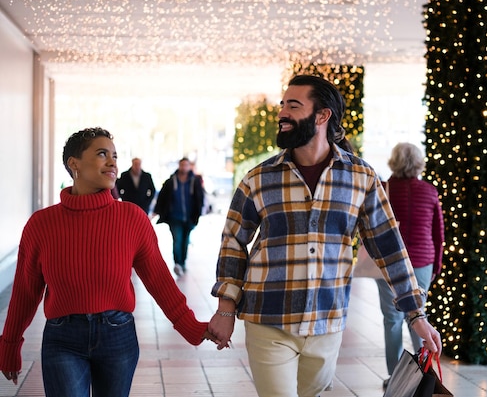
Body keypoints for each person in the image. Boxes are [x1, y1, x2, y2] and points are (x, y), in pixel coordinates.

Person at [207, 75, 442, 397]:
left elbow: (389, 247)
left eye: (293, 105)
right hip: (268, 317)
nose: (282, 114)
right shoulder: (258, 179)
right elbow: (233, 241)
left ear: (322, 115)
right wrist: (225, 309)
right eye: (282, 106)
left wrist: (416, 315)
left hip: (327, 321)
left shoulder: (361, 178)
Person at [0, 127, 210, 396]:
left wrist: (190, 326)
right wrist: (9, 345)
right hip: (62, 338)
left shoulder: (132, 219)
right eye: (102, 154)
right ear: (73, 164)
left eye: (114, 155)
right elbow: (25, 292)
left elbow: (159, 281)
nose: (112, 162)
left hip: (118, 336)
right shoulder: (41, 224)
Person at [376, 142, 445, 389]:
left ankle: (395, 377)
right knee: (418, 316)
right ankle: (422, 373)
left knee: (391, 319)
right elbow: (439, 233)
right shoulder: (429, 191)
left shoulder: (383, 190)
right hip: (423, 262)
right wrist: (436, 265)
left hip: (388, 265)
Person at [153, 157, 205, 276]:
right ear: (179, 166)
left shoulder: (194, 181)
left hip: (190, 217)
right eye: (182, 165)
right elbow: (162, 197)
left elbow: (200, 198)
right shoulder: (171, 181)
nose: (184, 168)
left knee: (185, 240)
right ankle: (177, 263)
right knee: (177, 240)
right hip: (174, 217)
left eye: (186, 165)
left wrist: (198, 213)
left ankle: (182, 262)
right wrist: (158, 211)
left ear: (189, 166)